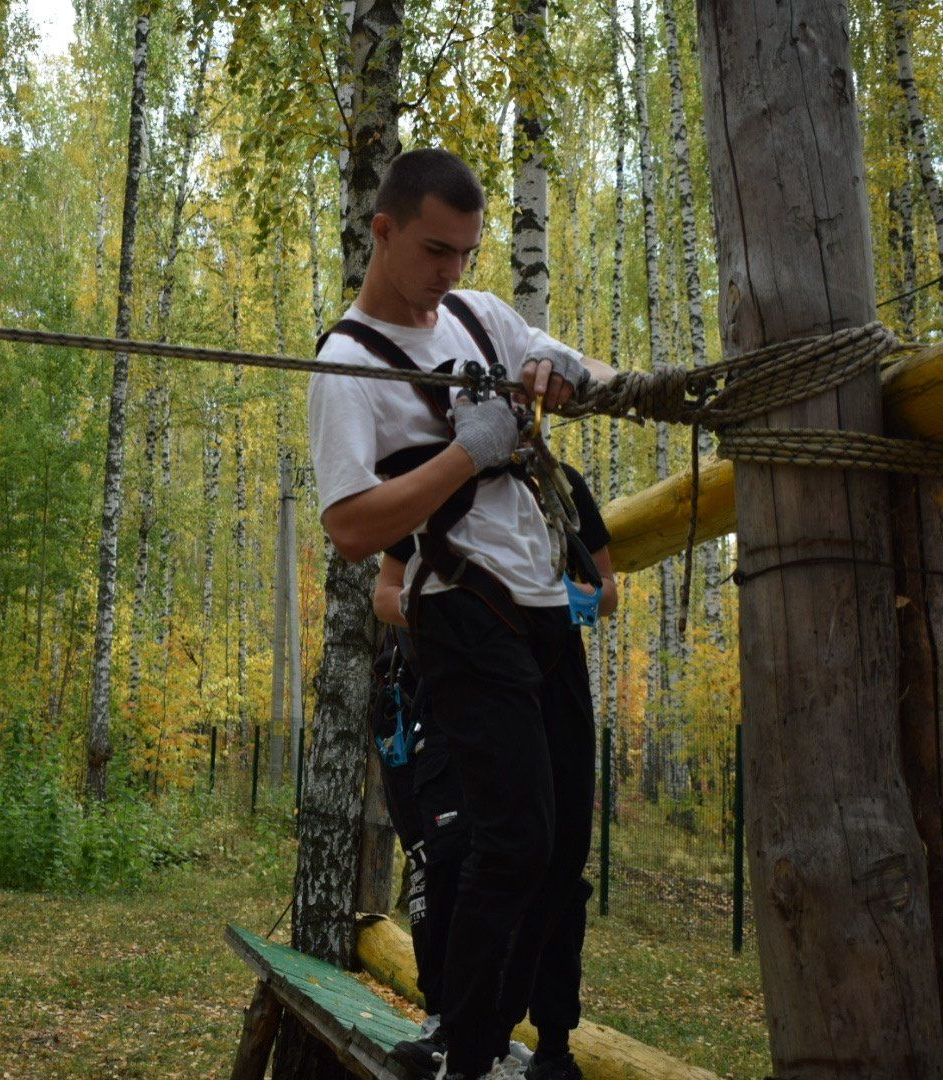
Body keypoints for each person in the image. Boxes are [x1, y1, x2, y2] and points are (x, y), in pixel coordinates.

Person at [308, 146, 616, 1080]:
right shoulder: (347, 364)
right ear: (384, 231)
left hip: (543, 607)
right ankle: (465, 1049)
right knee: (510, 835)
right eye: (436, 250)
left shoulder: (480, 317)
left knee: (561, 844)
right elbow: (352, 529)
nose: (450, 273)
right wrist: (464, 454)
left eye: (466, 254)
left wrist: (578, 381)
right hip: (458, 608)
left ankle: (530, 1039)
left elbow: (583, 369)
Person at [373, 462, 616, 1078]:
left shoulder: (557, 486)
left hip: (552, 676)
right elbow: (385, 591)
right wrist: (462, 613)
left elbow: (605, 589)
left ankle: (550, 1042)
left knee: (560, 858)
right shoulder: (427, 483)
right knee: (466, 854)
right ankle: (459, 1035)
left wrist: (547, 608)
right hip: (465, 685)